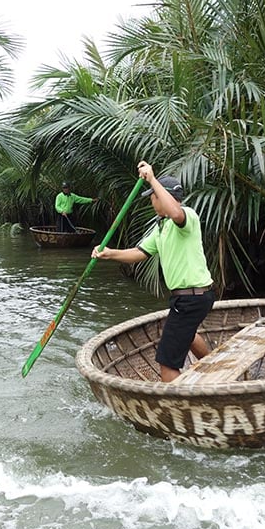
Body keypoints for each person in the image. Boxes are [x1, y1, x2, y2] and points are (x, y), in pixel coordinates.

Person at [92, 162, 214, 382]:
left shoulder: (186, 216)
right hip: (192, 298)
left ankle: (180, 410)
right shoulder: (162, 227)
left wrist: (152, 179)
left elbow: (176, 212)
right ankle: (214, 370)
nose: (151, 200)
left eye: (153, 195)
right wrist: (109, 254)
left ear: (162, 195)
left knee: (167, 365)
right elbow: (139, 253)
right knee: (188, 336)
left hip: (191, 298)